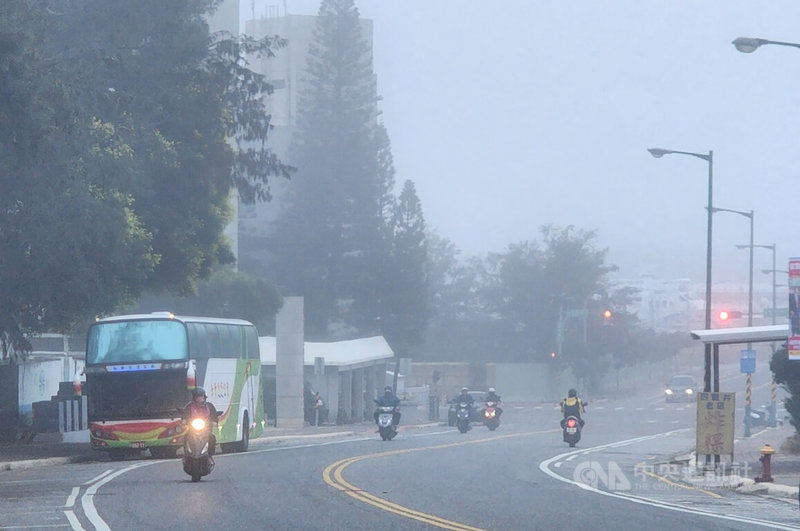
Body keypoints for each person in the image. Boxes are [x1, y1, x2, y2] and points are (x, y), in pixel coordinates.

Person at [183, 387, 219, 464]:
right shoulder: (189, 407)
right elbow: (184, 416)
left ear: (204, 396)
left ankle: (209, 455)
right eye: (197, 396)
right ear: (194, 397)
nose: (199, 398)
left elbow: (214, 416)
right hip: (192, 430)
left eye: (201, 396)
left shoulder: (209, 406)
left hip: (206, 430)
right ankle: (186, 456)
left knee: (212, 438)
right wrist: (184, 420)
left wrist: (214, 422)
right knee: (185, 437)